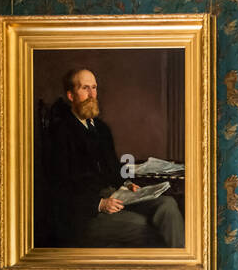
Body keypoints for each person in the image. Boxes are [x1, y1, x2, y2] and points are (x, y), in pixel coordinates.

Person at [43, 68, 184, 248]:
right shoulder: (59, 132)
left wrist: (125, 184)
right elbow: (58, 188)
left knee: (168, 205)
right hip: (83, 214)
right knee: (144, 226)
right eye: (85, 88)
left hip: (115, 195)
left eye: (94, 88)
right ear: (71, 95)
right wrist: (99, 204)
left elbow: (110, 168)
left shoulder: (101, 128)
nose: (92, 94)